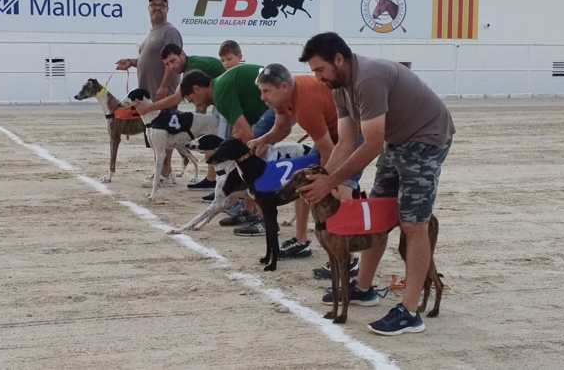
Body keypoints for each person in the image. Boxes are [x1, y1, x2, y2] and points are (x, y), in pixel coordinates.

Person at [296, 32, 455, 337]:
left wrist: (333, 179)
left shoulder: (368, 79)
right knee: (377, 215)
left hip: (426, 139)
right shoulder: (338, 86)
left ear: (339, 60)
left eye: (320, 70)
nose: (317, 78)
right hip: (398, 140)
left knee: (413, 222)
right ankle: (363, 288)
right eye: (314, 72)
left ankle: (410, 313)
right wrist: (322, 180)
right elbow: (346, 142)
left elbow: (370, 145)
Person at [249, 63, 364, 261]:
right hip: (331, 133)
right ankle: (301, 242)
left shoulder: (305, 105)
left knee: (341, 190)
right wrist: (263, 140)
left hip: (356, 132)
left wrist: (327, 181)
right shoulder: (283, 97)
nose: (262, 97)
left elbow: (328, 151)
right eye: (261, 91)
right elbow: (282, 128)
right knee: (303, 181)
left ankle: (348, 257)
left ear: (283, 86)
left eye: (266, 91)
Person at [180, 65, 279, 236]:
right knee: (247, 154)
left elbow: (247, 135)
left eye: (191, 99)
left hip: (277, 103)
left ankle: (265, 220)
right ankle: (249, 212)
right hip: (269, 101)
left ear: (198, 89)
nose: (194, 105)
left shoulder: (220, 93)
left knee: (251, 158)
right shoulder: (220, 86)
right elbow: (241, 125)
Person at [133, 43, 226, 193]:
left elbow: (177, 99)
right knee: (213, 144)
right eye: (167, 64)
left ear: (182, 54)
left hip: (227, 101)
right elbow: (185, 100)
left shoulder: (192, 69)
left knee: (220, 144)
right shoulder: (189, 68)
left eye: (173, 61)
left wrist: (148, 108)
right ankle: (212, 180)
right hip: (220, 102)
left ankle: (222, 183)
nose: (171, 66)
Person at [115, 0, 182, 178]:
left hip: (162, 93)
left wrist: (163, 86)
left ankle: (165, 174)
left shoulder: (170, 32)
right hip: (149, 95)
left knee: (163, 135)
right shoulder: (151, 33)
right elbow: (148, 60)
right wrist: (131, 61)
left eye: (161, 4)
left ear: (167, 9)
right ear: (148, 8)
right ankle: (161, 172)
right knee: (155, 135)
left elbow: (173, 60)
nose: (157, 8)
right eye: (153, 4)